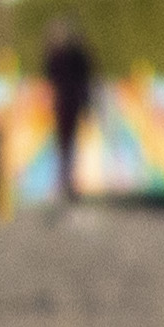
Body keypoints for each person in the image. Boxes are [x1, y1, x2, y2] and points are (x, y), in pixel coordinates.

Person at [45, 18, 98, 204]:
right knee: (65, 147)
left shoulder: (70, 56)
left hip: (68, 104)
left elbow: (84, 80)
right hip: (64, 105)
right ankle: (64, 185)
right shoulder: (64, 55)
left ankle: (66, 185)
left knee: (67, 147)